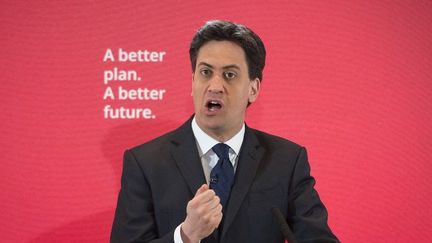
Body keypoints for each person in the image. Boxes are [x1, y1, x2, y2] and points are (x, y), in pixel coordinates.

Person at [110, 20, 339, 243]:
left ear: (253, 89)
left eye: (230, 75)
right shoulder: (145, 163)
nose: (215, 86)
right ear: (192, 81)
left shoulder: (287, 161)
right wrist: (185, 236)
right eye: (205, 72)